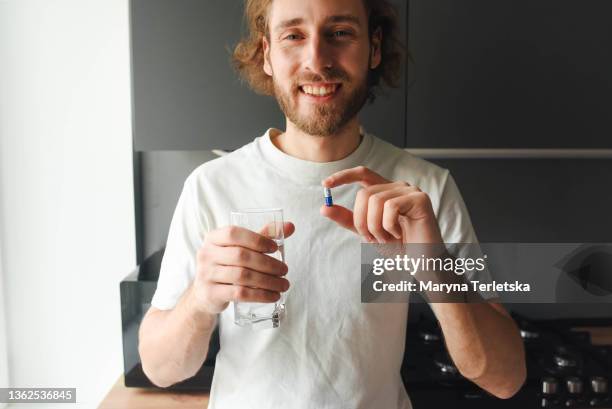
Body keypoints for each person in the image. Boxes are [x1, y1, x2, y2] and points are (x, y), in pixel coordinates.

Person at [138, 0, 526, 407]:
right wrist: (201, 299)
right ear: (267, 53)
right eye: (293, 35)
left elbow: (505, 377)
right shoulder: (211, 187)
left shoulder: (424, 190)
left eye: (339, 33)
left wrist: (432, 268)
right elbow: (162, 369)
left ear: (373, 49)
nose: (317, 60)